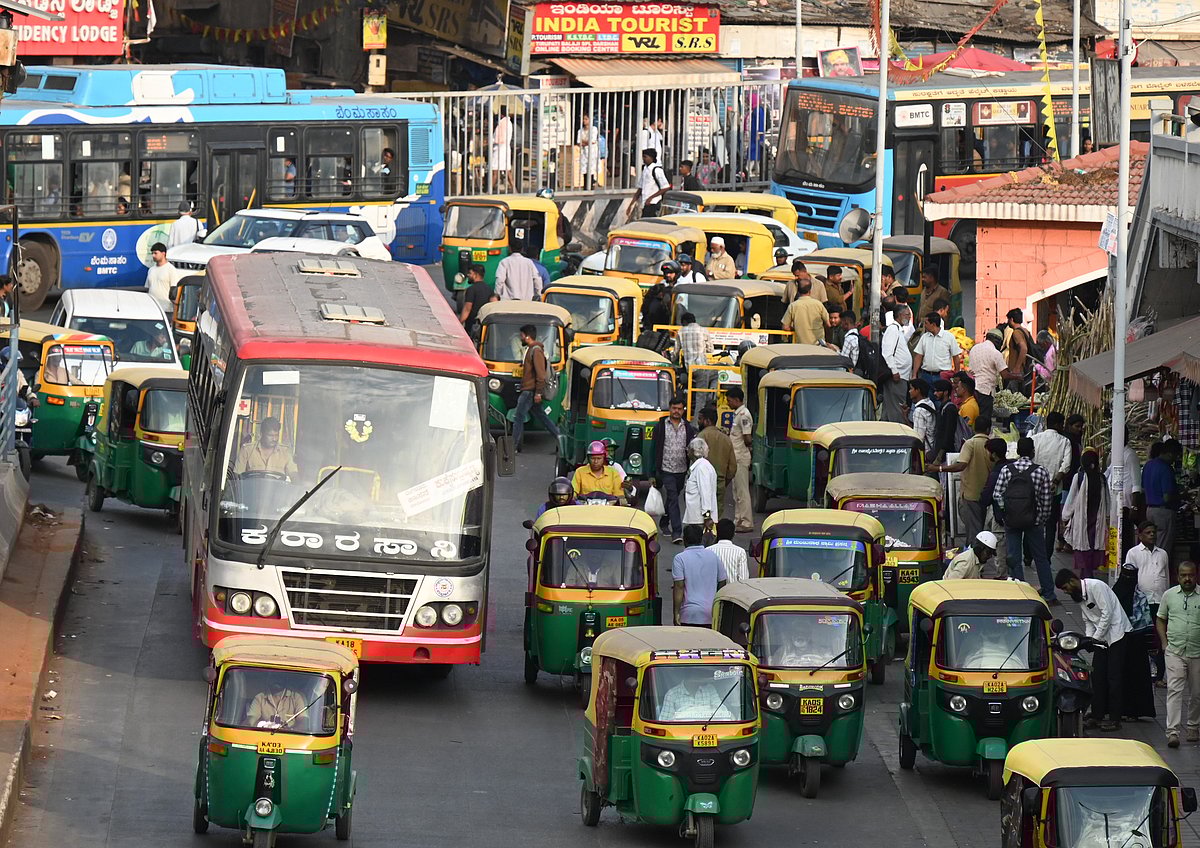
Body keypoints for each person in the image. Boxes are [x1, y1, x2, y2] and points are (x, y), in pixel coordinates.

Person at [1056, 569, 1131, 731]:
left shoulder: (1096, 586)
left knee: (1113, 678)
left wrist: (1096, 637)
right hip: (1102, 637)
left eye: (1065, 588)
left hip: (1117, 634)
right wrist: (1090, 640)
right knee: (1097, 677)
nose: (1066, 592)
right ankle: (1097, 715)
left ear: (1072, 581)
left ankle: (1115, 718)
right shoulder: (1079, 597)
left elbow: (1107, 614)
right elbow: (1088, 619)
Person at [994, 437, 1058, 604]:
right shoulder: (1041, 471)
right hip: (1034, 522)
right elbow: (1046, 500)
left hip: (1012, 521)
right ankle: (1049, 594)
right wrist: (1041, 518)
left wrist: (1006, 511)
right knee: (1041, 558)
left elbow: (997, 494)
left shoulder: (1007, 470)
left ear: (1017, 452)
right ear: (1032, 452)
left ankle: (1019, 591)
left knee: (1014, 556)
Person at [930, 416, 994, 543]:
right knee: (980, 527)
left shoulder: (970, 444)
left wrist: (939, 469)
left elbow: (961, 465)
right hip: (988, 493)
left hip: (971, 494)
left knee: (973, 530)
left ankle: (973, 554)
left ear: (974, 428)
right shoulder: (992, 445)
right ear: (988, 429)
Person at [1157, 561, 1200, 747]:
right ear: (1178, 576)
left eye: (1190, 575)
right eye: (1183, 575)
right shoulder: (1169, 595)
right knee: (1174, 691)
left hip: (1197, 652)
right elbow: (1160, 619)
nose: (1187, 578)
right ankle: (1172, 732)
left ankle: (1193, 726)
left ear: (1195, 575)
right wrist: (1164, 643)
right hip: (1175, 650)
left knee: (1197, 693)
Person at [1112, 562, 1157, 720]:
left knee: (1137, 677)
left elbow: (1147, 623)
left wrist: (1151, 647)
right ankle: (1120, 710)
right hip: (1120, 641)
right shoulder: (1114, 594)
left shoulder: (1140, 597)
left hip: (1137, 644)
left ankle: (1135, 711)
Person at [1128, 519, 1169, 684]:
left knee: (1160, 640)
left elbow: (1166, 577)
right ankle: (1141, 673)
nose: (1152, 535)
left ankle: (1159, 676)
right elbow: (1130, 577)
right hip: (1142, 604)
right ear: (1140, 535)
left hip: (1160, 601)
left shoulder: (1163, 554)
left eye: (1154, 533)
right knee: (1142, 638)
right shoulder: (1133, 553)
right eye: (1148, 533)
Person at [1032, 411, 1075, 562]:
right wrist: (1056, 481)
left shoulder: (1035, 439)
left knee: (1033, 522)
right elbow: (1066, 465)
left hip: (1035, 487)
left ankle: (1029, 555)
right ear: (1057, 425)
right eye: (1062, 424)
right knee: (1050, 525)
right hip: (1054, 489)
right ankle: (1046, 556)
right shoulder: (1064, 442)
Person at [653, 395, 696, 544]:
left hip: (681, 470)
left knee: (673, 498)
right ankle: (677, 532)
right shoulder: (660, 426)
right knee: (672, 497)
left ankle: (664, 522)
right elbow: (653, 449)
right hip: (666, 469)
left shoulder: (689, 428)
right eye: (674, 408)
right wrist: (652, 473)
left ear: (683, 410)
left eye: (679, 409)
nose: (676, 411)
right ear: (669, 408)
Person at [1062, 447, 1110, 580]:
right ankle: (1089, 580)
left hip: (1082, 522)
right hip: (1097, 523)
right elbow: (1107, 500)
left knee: (1084, 552)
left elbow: (1071, 498)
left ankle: (1086, 580)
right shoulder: (1102, 479)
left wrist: (1065, 516)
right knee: (1094, 549)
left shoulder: (1079, 477)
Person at [512, 324, 561, 452]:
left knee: (518, 417)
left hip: (530, 390)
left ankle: (513, 447)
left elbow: (541, 374)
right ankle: (561, 439)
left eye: (522, 336)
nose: (521, 338)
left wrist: (538, 393)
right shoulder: (531, 350)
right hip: (531, 390)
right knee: (542, 417)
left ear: (527, 336)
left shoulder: (536, 350)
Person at [672, 524, 727, 626]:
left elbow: (679, 587)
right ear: (701, 539)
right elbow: (722, 582)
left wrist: (676, 613)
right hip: (710, 613)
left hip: (688, 614)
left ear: (684, 540)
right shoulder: (713, 556)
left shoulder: (680, 559)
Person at [1143, 440, 1180, 574]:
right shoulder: (1166, 468)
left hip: (1149, 510)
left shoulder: (1148, 465)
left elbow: (1143, 488)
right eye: (1175, 456)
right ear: (1170, 454)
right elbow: (1166, 497)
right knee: (1162, 550)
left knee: (1151, 546)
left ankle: (1150, 573)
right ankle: (1157, 576)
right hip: (1163, 511)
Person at [981, 437, 1012, 577]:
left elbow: (987, 498)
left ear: (993, 454)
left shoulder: (996, 472)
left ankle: (1002, 576)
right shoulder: (1012, 467)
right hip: (1014, 514)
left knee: (1000, 547)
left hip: (999, 515)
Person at [698, 406, 735, 518]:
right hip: (720, 483)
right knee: (716, 515)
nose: (698, 422)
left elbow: (695, 464)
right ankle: (715, 533)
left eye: (700, 419)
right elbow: (733, 467)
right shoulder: (726, 439)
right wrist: (723, 481)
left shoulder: (700, 438)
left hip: (702, 483)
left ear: (707, 421)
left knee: (702, 514)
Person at [727, 387, 754, 534]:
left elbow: (747, 437)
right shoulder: (738, 414)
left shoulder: (743, 415)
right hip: (735, 456)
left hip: (740, 456)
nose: (728, 403)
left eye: (730, 400)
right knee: (736, 491)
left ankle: (747, 521)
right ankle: (738, 519)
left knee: (742, 491)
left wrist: (748, 449)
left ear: (737, 400)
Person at [1109, 442, 1145, 555]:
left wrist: (1134, 506)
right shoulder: (1115, 454)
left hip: (1126, 504)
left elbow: (1136, 482)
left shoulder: (1130, 455)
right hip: (1115, 503)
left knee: (1125, 538)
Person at [879, 308, 913, 423]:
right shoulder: (893, 329)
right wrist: (894, 371)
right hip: (897, 375)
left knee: (891, 406)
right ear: (899, 315)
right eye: (907, 315)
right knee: (898, 407)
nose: (909, 317)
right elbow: (887, 353)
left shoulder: (899, 330)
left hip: (902, 375)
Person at [968, 328, 1010, 421]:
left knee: (974, 418)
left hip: (972, 388)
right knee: (984, 419)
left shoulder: (974, 348)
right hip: (986, 391)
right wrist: (1018, 376)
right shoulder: (995, 353)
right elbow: (1005, 375)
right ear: (997, 341)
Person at [233, 417, 298, 476]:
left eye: (276, 435)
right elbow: (237, 476)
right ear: (261, 434)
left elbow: (294, 474)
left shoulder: (285, 452)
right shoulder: (247, 450)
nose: (274, 439)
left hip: (277, 489)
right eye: (270, 435)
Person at [678, 312, 714, 414]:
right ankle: (697, 422)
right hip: (701, 367)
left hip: (689, 369)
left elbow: (675, 352)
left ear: (684, 322)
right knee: (701, 398)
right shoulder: (703, 330)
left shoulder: (681, 332)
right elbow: (710, 349)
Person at [780, 277, 832, 346]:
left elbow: (785, 327)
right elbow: (828, 323)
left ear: (798, 291)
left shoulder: (793, 306)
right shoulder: (818, 304)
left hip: (801, 345)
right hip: (818, 344)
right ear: (810, 291)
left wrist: (796, 328)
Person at [659, 671, 730, 720]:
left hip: (710, 730)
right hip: (681, 735)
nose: (704, 678)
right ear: (691, 677)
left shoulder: (710, 689)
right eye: (700, 675)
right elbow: (665, 720)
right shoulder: (672, 694)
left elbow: (722, 711)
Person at [683, 437, 717, 538]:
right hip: (696, 519)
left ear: (693, 451)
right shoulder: (701, 466)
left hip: (699, 520)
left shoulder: (702, 468)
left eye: (688, 449)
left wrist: (707, 517)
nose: (687, 452)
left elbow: (705, 492)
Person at [911, 313, 963, 380]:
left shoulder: (949, 337)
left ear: (933, 325)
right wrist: (914, 375)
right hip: (926, 375)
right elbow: (918, 356)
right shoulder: (924, 337)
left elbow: (956, 357)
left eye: (926, 323)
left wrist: (957, 374)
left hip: (943, 376)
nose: (925, 326)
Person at [629, 148, 669, 219]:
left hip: (653, 203)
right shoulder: (645, 169)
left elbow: (665, 187)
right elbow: (640, 188)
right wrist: (631, 203)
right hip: (645, 203)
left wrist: (651, 198)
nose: (643, 159)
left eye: (645, 157)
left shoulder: (657, 170)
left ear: (651, 157)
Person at [707, 518, 749, 583]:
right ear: (733, 534)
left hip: (713, 592)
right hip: (733, 591)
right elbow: (744, 579)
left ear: (718, 532)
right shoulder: (740, 552)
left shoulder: (708, 551)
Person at [930, 379, 962, 463]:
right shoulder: (942, 407)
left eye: (938, 391)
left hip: (946, 454)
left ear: (946, 392)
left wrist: (940, 455)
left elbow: (949, 433)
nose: (935, 394)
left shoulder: (950, 409)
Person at [458, 263, 492, 338]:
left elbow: (467, 308)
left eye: (470, 273)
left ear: (475, 275)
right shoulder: (489, 289)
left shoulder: (471, 289)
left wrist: (459, 323)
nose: (468, 275)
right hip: (484, 326)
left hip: (472, 325)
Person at [1001, 308, 1031, 386]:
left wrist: (1017, 367)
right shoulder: (1025, 331)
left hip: (1017, 372)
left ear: (1011, 319)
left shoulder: (1016, 333)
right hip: (1024, 369)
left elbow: (1024, 348)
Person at [908, 379, 937, 461]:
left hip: (925, 453)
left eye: (911, 389)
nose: (909, 391)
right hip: (932, 448)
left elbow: (918, 437)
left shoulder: (919, 411)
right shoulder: (930, 403)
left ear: (918, 390)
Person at [145, 242, 177, 310]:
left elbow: (174, 290)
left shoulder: (171, 269)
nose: (153, 255)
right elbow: (147, 288)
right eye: (152, 253)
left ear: (163, 253)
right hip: (151, 307)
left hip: (166, 309)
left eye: (155, 253)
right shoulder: (151, 270)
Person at [491, 105, 514, 192]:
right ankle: (514, 189)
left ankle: (489, 189)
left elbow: (499, 138)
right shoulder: (509, 123)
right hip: (506, 149)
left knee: (495, 171)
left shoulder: (502, 123)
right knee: (507, 171)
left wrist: (492, 140)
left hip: (499, 149)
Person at [577, 113, 600, 189]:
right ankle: (586, 186)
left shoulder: (594, 129)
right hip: (584, 152)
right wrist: (586, 142)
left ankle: (591, 184)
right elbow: (579, 142)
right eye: (583, 119)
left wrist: (584, 141)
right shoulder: (580, 130)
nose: (584, 121)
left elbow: (592, 141)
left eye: (586, 119)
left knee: (591, 169)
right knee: (584, 169)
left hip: (592, 152)